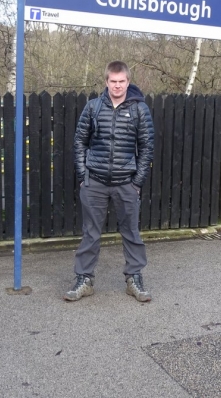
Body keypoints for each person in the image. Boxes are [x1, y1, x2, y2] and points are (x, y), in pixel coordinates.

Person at [64, 61, 155, 302]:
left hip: (126, 183)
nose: (117, 85)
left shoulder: (139, 110)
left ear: (128, 82)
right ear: (106, 82)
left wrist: (136, 182)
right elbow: (79, 142)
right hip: (95, 181)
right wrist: (84, 176)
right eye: (113, 81)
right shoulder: (93, 107)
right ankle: (84, 279)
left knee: (131, 232)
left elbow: (147, 147)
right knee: (90, 233)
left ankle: (134, 278)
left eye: (121, 81)